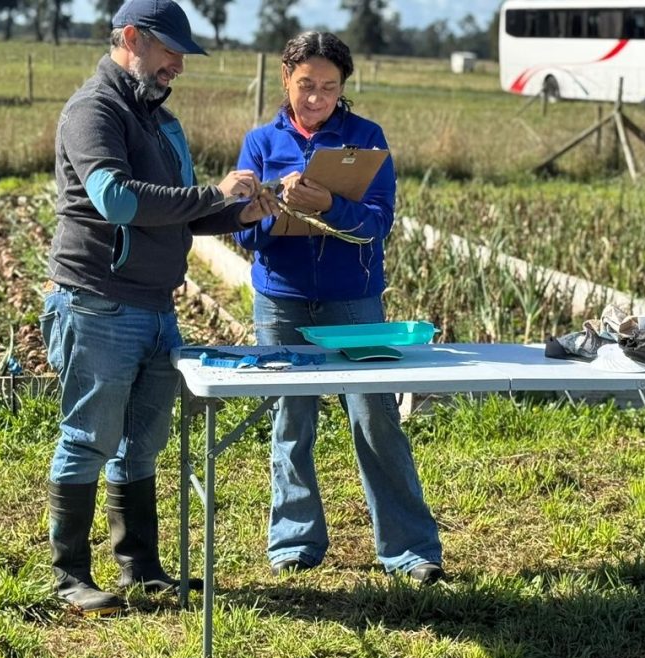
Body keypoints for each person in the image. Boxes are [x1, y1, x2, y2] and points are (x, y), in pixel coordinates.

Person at [41, 0, 278, 616]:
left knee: (141, 445)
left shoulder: (160, 121)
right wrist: (211, 192)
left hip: (155, 307)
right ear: (129, 38)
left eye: (181, 53)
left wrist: (238, 212)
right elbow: (115, 200)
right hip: (97, 304)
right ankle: (69, 578)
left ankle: (141, 569)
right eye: (168, 50)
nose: (178, 63)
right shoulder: (94, 111)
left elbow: (184, 210)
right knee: (88, 438)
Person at [233, 32, 444, 585]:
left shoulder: (366, 139)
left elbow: (378, 223)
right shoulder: (259, 142)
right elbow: (245, 236)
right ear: (285, 78)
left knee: (375, 416)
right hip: (281, 299)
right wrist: (264, 208)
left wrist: (330, 204)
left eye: (329, 87)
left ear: (343, 87)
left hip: (354, 298)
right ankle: (294, 542)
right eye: (306, 85)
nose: (316, 97)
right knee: (290, 418)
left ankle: (408, 549)